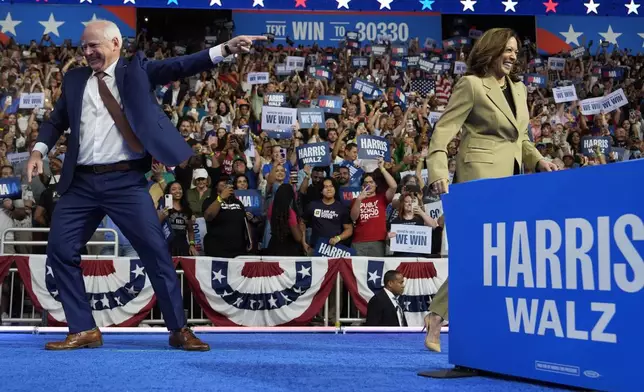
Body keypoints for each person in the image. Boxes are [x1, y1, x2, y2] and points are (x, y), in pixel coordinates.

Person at [25, 19, 266, 351]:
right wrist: (39, 150)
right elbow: (55, 121)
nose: (87, 52)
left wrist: (224, 49)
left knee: (155, 252)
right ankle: (83, 328)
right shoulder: (75, 78)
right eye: (83, 47)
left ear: (115, 44)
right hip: (80, 184)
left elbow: (180, 65)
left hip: (125, 182)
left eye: (94, 45)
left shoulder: (136, 71)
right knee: (60, 251)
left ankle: (179, 329)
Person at [423, 28, 558, 353]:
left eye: (515, 51)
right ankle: (438, 317)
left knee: (498, 260)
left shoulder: (520, 90)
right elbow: (443, 131)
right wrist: (438, 171)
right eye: (506, 50)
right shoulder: (471, 85)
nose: (512, 56)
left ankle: (450, 320)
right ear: (491, 51)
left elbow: (521, 139)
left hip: (511, 183)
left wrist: (540, 161)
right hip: (477, 177)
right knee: (476, 255)